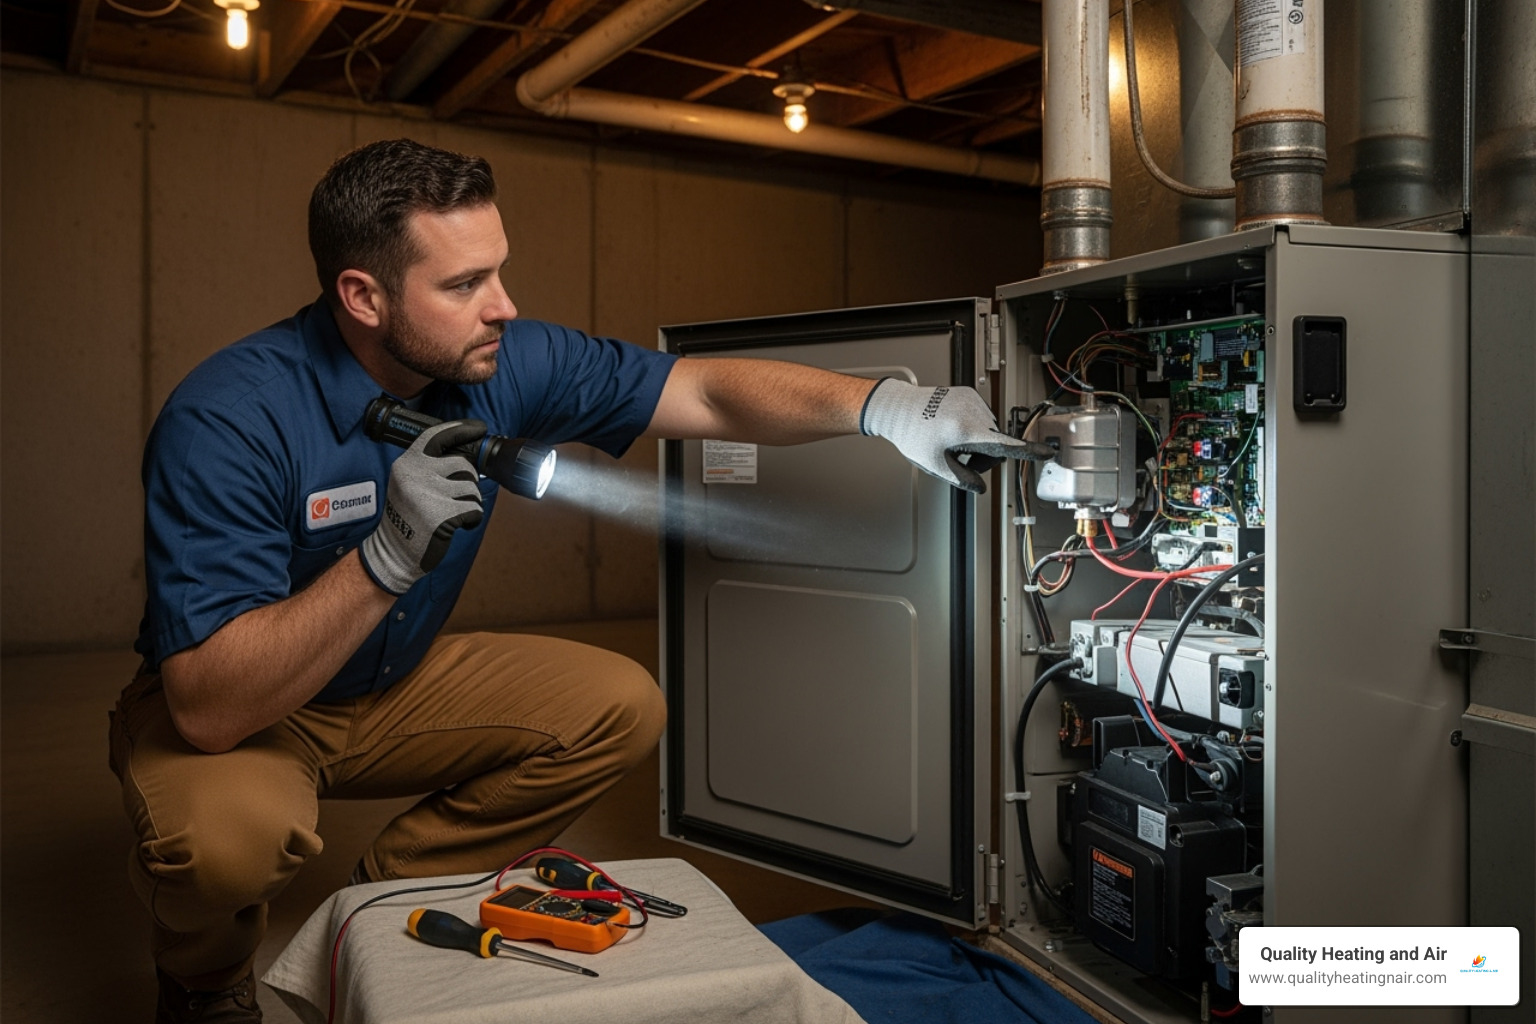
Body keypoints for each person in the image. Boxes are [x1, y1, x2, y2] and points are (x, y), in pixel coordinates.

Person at [111, 137, 1048, 1022]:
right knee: (225, 845)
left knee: (619, 703)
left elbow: (704, 391)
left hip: (387, 684)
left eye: (499, 268)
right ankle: (204, 982)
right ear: (362, 296)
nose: (503, 305)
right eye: (466, 282)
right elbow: (208, 708)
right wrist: (385, 557)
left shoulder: (499, 361)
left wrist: (889, 408)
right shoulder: (230, 417)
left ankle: (377, 911)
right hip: (251, 699)